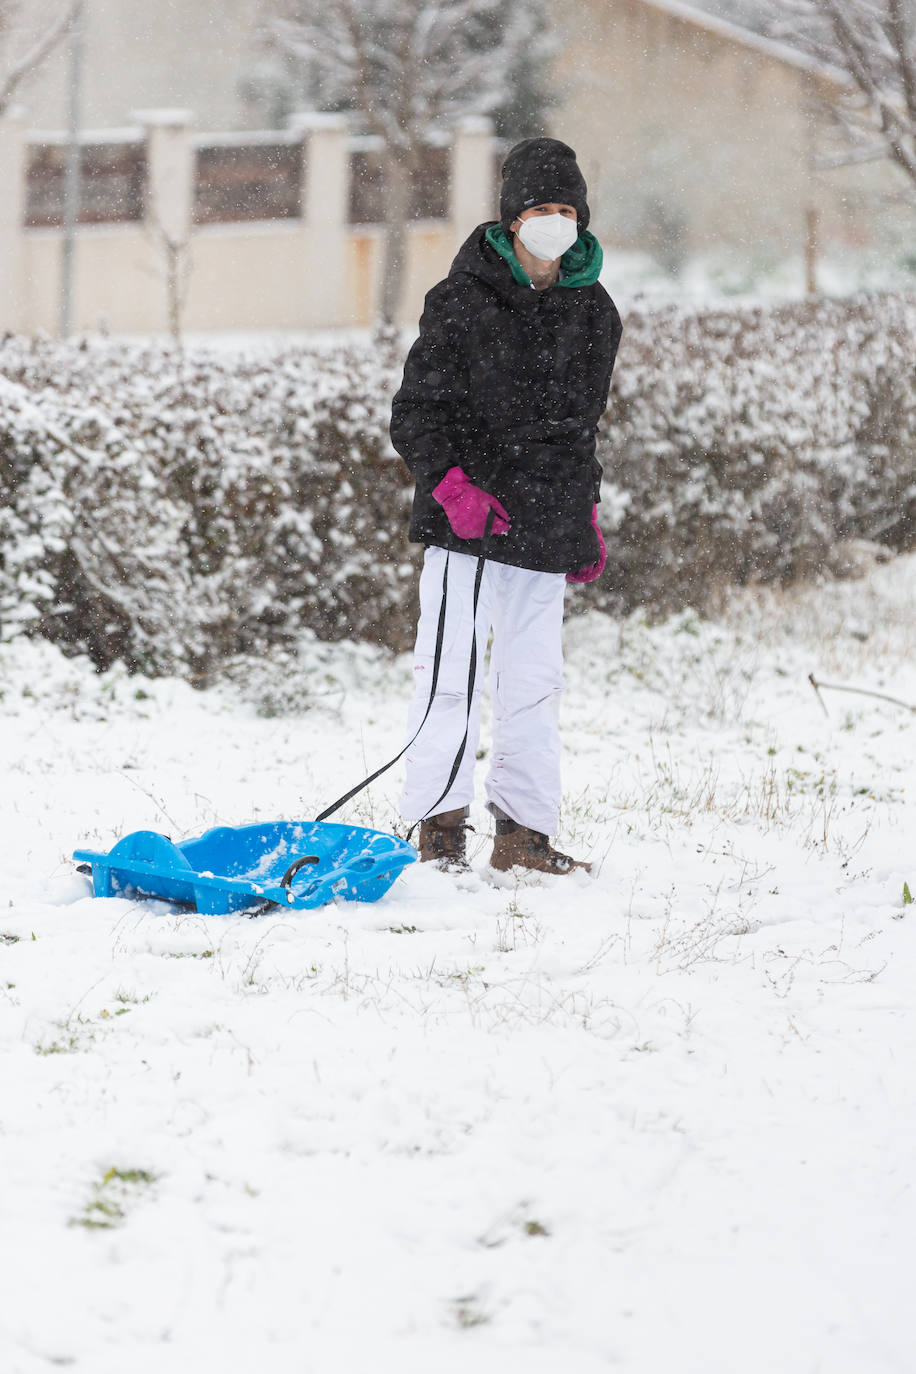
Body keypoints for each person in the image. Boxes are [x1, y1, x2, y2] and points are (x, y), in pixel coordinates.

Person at [389, 137, 622, 875]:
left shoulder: (595, 311)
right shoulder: (461, 301)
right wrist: (452, 488)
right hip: (471, 525)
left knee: (532, 682)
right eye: (539, 208)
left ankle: (524, 835)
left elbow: (582, 426)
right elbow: (417, 412)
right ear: (511, 219)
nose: (553, 220)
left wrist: (584, 510)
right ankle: (440, 827)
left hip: (547, 524)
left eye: (565, 209)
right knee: (448, 673)